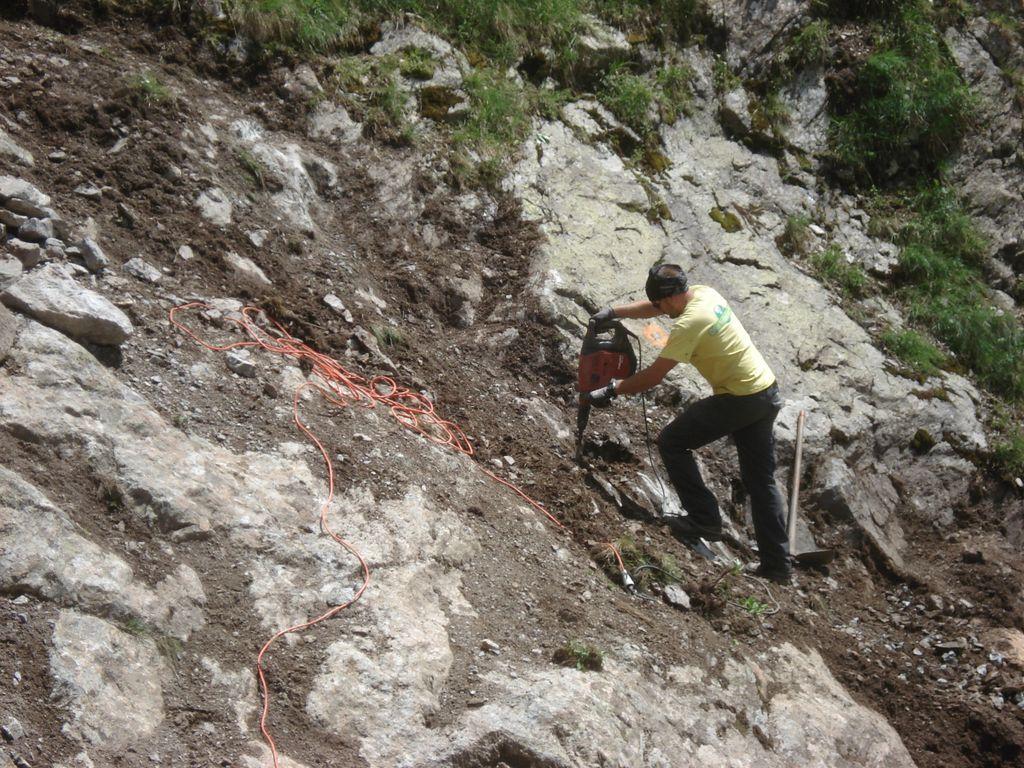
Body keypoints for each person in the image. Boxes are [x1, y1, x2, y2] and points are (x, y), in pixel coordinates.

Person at [587, 263, 792, 584]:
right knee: (760, 481)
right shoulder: (705, 294)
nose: (657, 310)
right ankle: (777, 567)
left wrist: (612, 388)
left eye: (659, 305)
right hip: (765, 392)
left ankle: (705, 519)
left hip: (739, 399)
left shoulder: (689, 325)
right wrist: (614, 312)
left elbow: (653, 376)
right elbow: (652, 307)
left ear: (668, 300)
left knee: (673, 441)